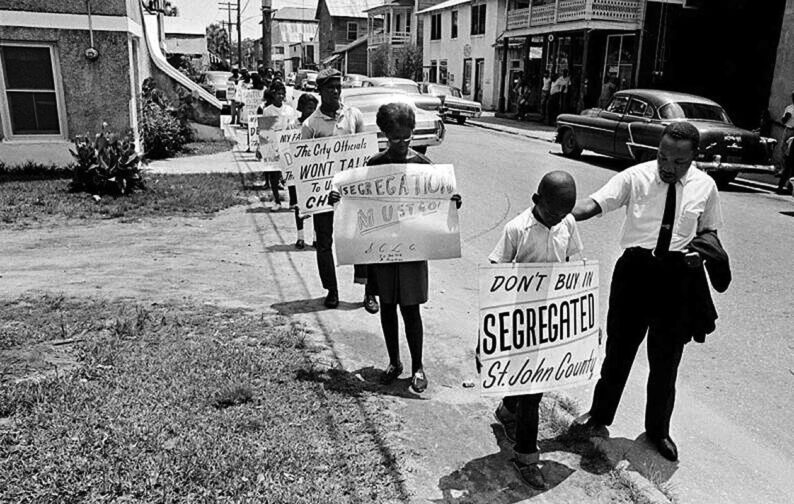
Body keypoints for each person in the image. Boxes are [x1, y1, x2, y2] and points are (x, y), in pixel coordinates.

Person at [570, 121, 726, 462]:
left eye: (678, 162)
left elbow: (710, 230)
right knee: (618, 352)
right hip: (635, 274)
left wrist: (700, 251)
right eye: (662, 157)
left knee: (665, 362)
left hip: (676, 281)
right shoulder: (635, 177)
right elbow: (595, 204)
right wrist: (560, 213)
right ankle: (599, 416)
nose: (668, 167)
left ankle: (658, 431)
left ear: (694, 158)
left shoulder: (705, 186)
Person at [331, 102, 462, 393]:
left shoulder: (424, 166)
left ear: (413, 135)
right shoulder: (375, 166)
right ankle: (394, 362)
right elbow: (357, 200)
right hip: (383, 250)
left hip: (413, 251)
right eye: (394, 139)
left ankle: (418, 366)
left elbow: (443, 197)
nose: (401, 144)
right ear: (384, 136)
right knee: (387, 306)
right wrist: (339, 197)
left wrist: (453, 200)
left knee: (411, 309)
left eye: (407, 138)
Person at [488, 171, 582, 489]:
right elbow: (496, 275)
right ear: (536, 200)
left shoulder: (567, 224)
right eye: (552, 212)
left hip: (551, 318)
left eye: (563, 214)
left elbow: (571, 265)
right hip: (520, 318)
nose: (557, 219)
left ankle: (506, 408)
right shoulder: (516, 229)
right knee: (532, 390)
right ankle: (527, 456)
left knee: (531, 384)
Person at [301, 68, 378, 312]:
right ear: (319, 91)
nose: (335, 91)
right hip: (323, 195)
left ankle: (369, 292)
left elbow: (363, 152)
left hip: (352, 192)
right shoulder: (310, 124)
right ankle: (331, 290)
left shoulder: (353, 115)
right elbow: (305, 166)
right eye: (329, 87)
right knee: (324, 243)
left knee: (363, 238)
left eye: (338, 86)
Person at [259, 80, 299, 210]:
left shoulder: (289, 110)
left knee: (290, 174)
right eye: (278, 94)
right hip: (272, 145)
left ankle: (293, 201)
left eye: (283, 94)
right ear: (273, 94)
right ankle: (276, 201)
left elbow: (293, 128)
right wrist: (262, 148)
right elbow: (265, 131)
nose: (280, 97)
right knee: (274, 174)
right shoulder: (267, 111)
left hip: (287, 146)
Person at [288, 93, 318, 249]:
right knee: (299, 205)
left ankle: (315, 237)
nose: (311, 111)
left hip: (315, 169)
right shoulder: (293, 124)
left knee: (317, 204)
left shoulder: (317, 124)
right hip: (298, 169)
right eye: (308, 107)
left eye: (314, 108)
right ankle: (300, 237)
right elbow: (286, 146)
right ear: (301, 108)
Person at [777, 92, 794, 193]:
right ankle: (782, 169)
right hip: (788, 130)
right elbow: (783, 121)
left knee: (791, 160)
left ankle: (788, 185)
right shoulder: (789, 108)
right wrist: (786, 117)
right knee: (785, 152)